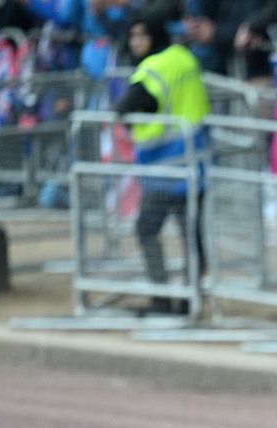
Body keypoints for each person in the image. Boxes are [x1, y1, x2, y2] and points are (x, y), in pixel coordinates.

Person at [113, 15, 211, 315]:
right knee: (190, 233)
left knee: (147, 228)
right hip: (196, 162)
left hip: (165, 167)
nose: (136, 43)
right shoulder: (184, 57)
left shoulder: (153, 68)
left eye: (142, 35)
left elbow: (126, 105)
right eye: (133, 36)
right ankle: (189, 298)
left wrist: (128, 121)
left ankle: (162, 299)